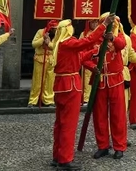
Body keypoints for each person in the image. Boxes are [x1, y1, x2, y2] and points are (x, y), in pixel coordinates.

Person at [51, 16, 110, 170]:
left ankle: (57, 156)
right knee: (68, 125)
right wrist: (103, 26)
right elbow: (88, 40)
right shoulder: (68, 42)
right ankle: (65, 160)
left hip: (60, 86)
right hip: (70, 86)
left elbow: (79, 57)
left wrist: (95, 50)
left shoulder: (61, 44)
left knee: (60, 123)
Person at [81, 12, 128, 160]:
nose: (112, 26)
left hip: (116, 80)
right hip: (99, 81)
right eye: (109, 23)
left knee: (118, 115)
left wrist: (112, 38)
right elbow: (83, 57)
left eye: (114, 24)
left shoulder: (119, 36)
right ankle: (103, 146)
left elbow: (122, 44)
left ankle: (119, 146)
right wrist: (92, 67)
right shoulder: (93, 39)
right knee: (99, 115)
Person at [30, 19, 57, 107]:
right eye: (53, 28)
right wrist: (43, 38)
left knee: (50, 81)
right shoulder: (40, 32)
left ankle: (48, 100)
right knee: (37, 80)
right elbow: (34, 44)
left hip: (51, 59)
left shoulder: (58, 34)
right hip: (40, 58)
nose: (55, 30)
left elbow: (56, 47)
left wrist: (49, 43)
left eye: (56, 28)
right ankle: (33, 100)